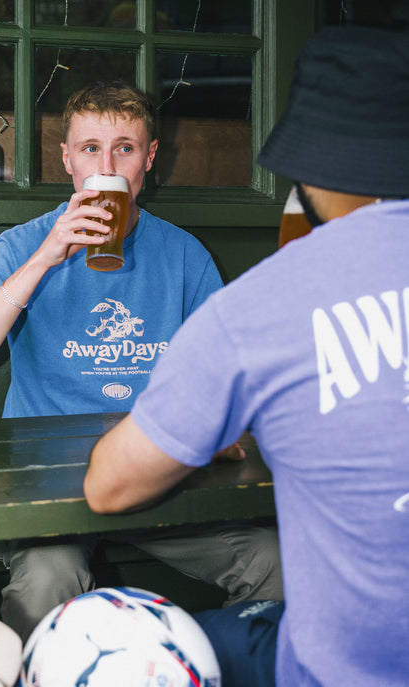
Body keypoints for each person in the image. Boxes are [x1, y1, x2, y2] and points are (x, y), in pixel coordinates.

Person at [84, 26, 409, 687]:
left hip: (340, 672)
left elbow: (108, 485)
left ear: (306, 170)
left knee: (122, 649)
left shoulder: (262, 306)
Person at [0, 80, 282, 643]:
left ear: (147, 159)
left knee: (273, 560)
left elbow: (229, 374)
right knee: (50, 575)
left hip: (152, 469)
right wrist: (47, 257)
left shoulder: (184, 254)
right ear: (67, 160)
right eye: (91, 148)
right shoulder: (23, 246)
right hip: (44, 480)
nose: (108, 162)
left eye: (124, 146)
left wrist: (218, 425)